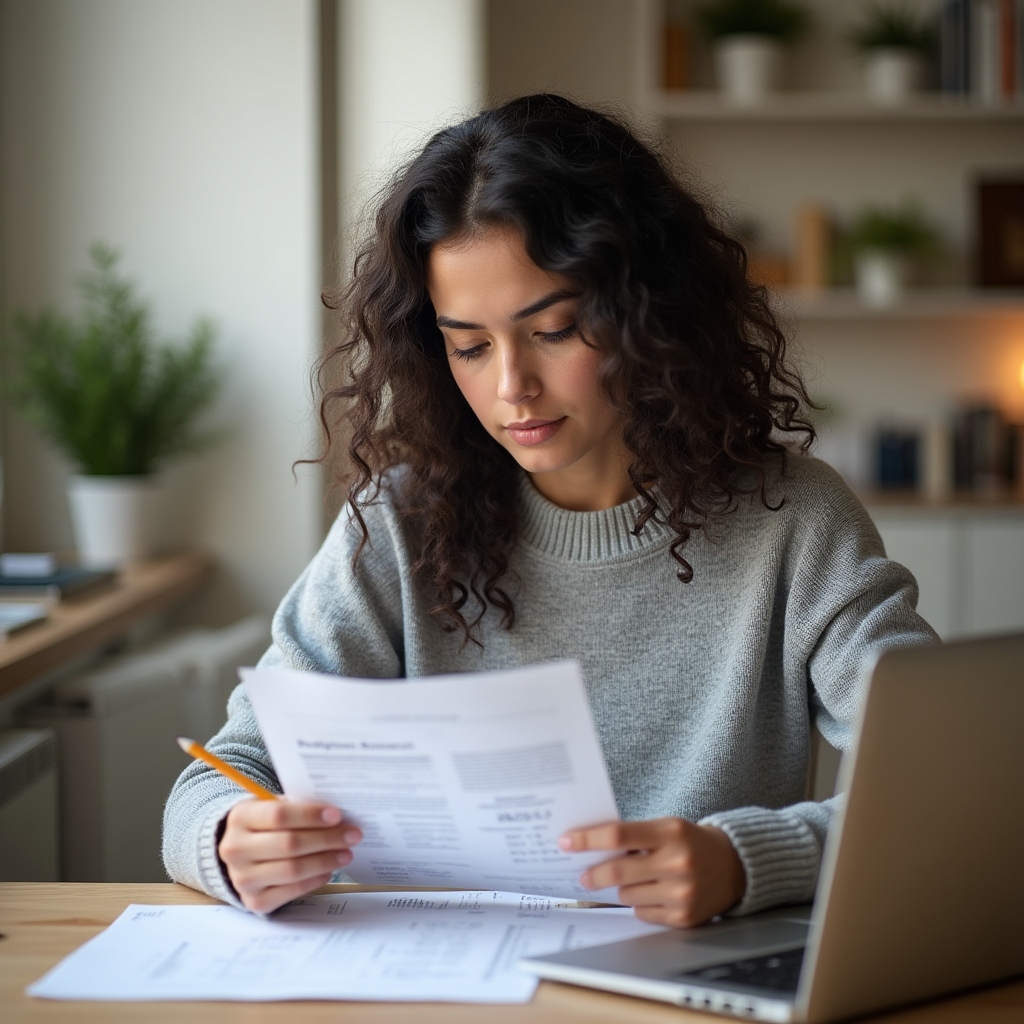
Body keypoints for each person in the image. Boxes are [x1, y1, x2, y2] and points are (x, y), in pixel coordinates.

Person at [163, 94, 936, 925]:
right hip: (434, 984)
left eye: (556, 330)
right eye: (469, 345)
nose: (510, 387)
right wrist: (231, 837)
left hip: (691, 981)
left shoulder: (794, 521)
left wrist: (747, 863)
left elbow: (942, 783)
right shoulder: (396, 524)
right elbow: (219, 774)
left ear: (649, 313)